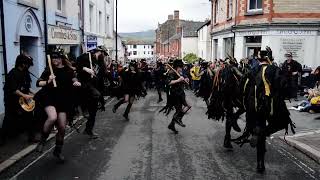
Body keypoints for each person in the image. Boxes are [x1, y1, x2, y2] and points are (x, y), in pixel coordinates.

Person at [235, 48, 295, 173]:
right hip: (269, 106)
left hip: (254, 107)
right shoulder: (274, 69)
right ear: (269, 59)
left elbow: (243, 87)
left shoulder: (252, 70)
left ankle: (260, 164)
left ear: (258, 59)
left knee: (259, 128)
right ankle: (263, 133)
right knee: (283, 122)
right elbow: (284, 86)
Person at [36, 52, 81, 162]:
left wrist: (76, 83)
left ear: (61, 59)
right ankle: (42, 141)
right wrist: (48, 81)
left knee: (62, 127)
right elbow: (38, 83)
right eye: (52, 58)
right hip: (49, 98)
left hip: (63, 100)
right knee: (52, 118)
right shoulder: (49, 70)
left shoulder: (68, 70)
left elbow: (74, 79)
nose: (54, 60)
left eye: (56, 58)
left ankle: (58, 151)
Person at [1, 54, 34, 145]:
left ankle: (31, 138)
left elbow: (27, 87)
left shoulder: (26, 73)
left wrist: (34, 93)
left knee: (29, 117)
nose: (28, 66)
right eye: (27, 64)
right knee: (8, 118)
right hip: (11, 100)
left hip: (23, 99)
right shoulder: (13, 73)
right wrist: (25, 95)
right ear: (22, 63)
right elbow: (14, 90)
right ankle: (2, 139)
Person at [76, 48, 104, 139]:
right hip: (84, 86)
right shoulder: (86, 58)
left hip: (94, 87)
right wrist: (85, 68)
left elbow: (101, 77)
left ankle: (88, 130)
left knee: (93, 113)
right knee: (88, 99)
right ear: (97, 52)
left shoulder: (100, 63)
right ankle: (82, 109)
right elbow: (75, 66)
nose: (102, 55)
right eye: (101, 53)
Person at [167, 59, 190, 134]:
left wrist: (186, 79)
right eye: (180, 67)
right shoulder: (172, 72)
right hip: (175, 93)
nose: (181, 68)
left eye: (181, 67)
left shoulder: (181, 72)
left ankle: (173, 123)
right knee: (179, 110)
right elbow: (169, 83)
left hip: (181, 92)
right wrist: (178, 80)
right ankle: (177, 120)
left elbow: (185, 77)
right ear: (176, 66)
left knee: (187, 106)